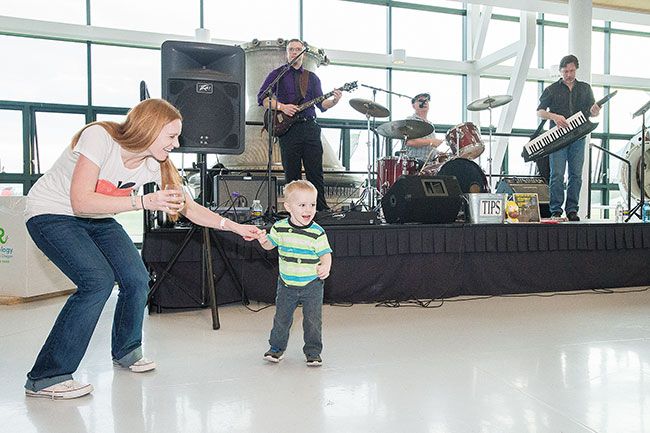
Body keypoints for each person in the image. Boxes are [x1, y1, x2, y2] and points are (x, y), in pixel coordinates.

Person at [23, 98, 262, 399]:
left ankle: (127, 350)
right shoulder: (100, 138)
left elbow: (189, 208)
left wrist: (237, 228)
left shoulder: (156, 163)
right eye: (172, 136)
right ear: (150, 128)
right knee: (96, 281)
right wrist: (141, 202)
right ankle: (46, 376)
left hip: (97, 218)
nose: (176, 144)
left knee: (136, 278)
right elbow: (80, 201)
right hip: (52, 213)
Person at [257, 38, 343, 212]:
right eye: (291, 49)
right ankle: (293, 211)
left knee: (315, 172)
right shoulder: (277, 74)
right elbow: (262, 98)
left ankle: (321, 210)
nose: (295, 52)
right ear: (287, 53)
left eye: (298, 49)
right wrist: (282, 107)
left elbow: (322, 105)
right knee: (292, 173)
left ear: (304, 54)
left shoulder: (312, 78)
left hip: (310, 127)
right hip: (289, 130)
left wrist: (334, 100)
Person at [257, 180, 332, 367]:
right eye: (302, 205)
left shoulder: (317, 232)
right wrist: (262, 239)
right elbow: (269, 246)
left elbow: (326, 254)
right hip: (286, 285)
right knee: (282, 319)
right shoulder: (280, 228)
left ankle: (313, 352)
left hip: (312, 284)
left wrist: (325, 266)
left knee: (313, 321)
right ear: (288, 207)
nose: (308, 210)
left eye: (312, 204)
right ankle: (276, 349)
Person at [537, 54, 601, 221]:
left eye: (571, 71)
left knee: (576, 175)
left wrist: (595, 111)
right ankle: (556, 210)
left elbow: (592, 111)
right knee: (557, 174)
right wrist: (554, 117)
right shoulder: (551, 89)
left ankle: (572, 209)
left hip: (578, 137)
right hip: (557, 138)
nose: (569, 74)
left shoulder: (585, 88)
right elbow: (540, 111)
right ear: (560, 71)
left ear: (576, 70)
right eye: (565, 71)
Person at [403, 92, 445, 166]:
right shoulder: (411, 120)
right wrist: (431, 141)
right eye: (420, 100)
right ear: (413, 105)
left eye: (427, 100)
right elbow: (410, 142)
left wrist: (438, 153)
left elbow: (429, 147)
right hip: (415, 162)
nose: (425, 102)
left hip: (429, 163)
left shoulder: (430, 124)